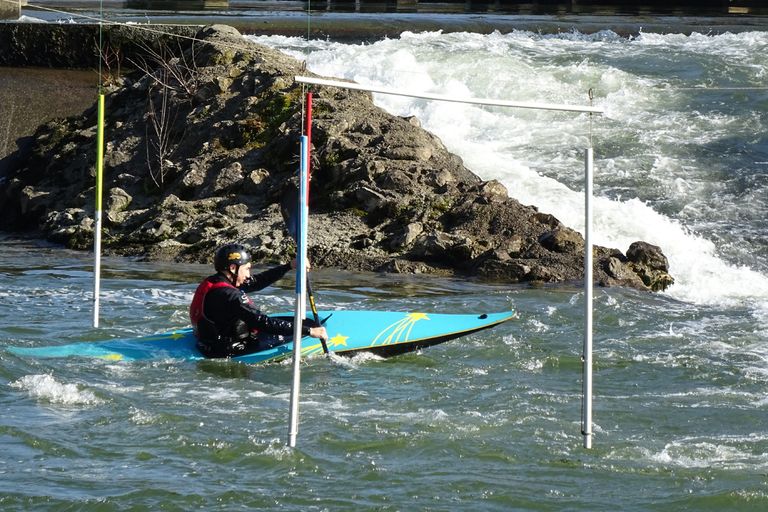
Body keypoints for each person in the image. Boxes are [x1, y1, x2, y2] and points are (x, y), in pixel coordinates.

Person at [189, 243, 327, 358]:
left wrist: (289, 266)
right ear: (232, 268)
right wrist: (309, 331)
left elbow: (256, 282)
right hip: (228, 350)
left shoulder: (215, 281)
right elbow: (263, 323)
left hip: (206, 343)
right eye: (247, 269)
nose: (248, 275)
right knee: (299, 327)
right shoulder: (231, 295)